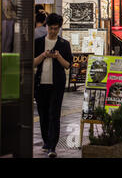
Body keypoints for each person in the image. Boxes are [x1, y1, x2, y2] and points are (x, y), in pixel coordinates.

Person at [34, 13, 72, 158]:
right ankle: (46, 141)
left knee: (54, 114)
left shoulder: (64, 44)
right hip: (40, 84)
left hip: (57, 85)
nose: (53, 31)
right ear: (46, 27)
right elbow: (32, 62)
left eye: (56, 29)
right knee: (43, 114)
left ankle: (52, 146)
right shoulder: (38, 42)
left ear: (59, 28)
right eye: (51, 28)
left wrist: (58, 56)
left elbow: (68, 65)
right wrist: (43, 55)